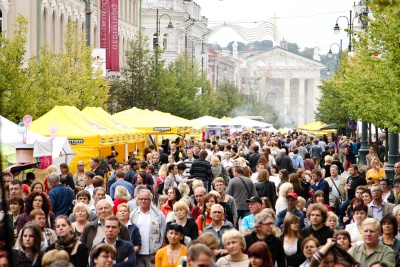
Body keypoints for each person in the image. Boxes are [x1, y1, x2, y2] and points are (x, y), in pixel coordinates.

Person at [130, 189, 166, 267]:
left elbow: (163, 233)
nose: (143, 201)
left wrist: (160, 251)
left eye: (146, 199)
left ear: (150, 200)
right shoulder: (132, 215)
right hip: (137, 253)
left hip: (153, 253)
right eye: (141, 199)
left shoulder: (159, 215)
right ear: (137, 200)